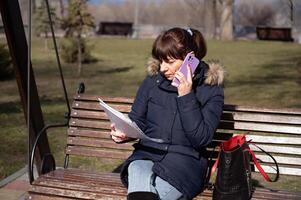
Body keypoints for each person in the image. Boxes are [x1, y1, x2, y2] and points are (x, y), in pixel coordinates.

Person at [110, 27, 224, 200]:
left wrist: (186, 96)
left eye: (169, 62)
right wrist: (124, 132)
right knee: (137, 167)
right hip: (147, 155)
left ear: (190, 59)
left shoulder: (210, 90)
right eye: (161, 60)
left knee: (154, 193)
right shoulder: (152, 82)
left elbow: (201, 139)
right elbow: (137, 120)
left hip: (185, 164)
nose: (163, 68)